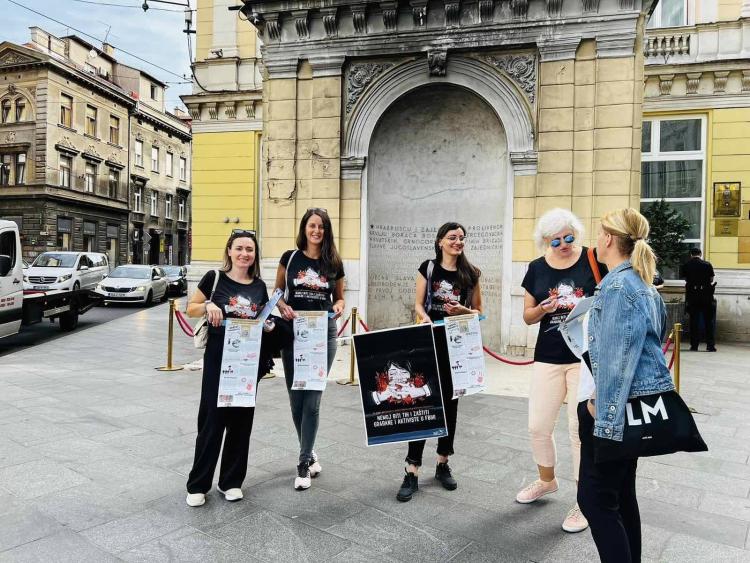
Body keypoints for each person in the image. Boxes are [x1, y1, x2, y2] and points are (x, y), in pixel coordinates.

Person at [577, 208, 675, 562]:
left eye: (599, 233)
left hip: (615, 412)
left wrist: (598, 412)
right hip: (636, 409)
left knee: (594, 500)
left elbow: (619, 363)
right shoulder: (643, 284)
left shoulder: (616, 286)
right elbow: (655, 341)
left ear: (608, 239)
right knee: (620, 496)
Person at [516, 208, 606, 534]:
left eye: (569, 238)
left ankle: (585, 501)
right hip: (548, 355)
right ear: (546, 241)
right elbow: (527, 316)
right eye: (557, 240)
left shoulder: (594, 260)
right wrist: (542, 309)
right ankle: (546, 480)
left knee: (578, 430)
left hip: (584, 357)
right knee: (538, 425)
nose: (565, 244)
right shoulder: (537, 269)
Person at [184, 229, 277, 507]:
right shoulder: (214, 278)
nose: (244, 254)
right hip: (218, 359)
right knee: (211, 421)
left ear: (255, 254)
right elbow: (190, 308)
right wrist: (209, 305)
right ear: (229, 251)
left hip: (247, 362)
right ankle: (198, 484)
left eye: (249, 249)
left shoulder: (259, 286)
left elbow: (261, 318)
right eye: (239, 248)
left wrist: (268, 325)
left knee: (241, 422)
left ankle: (231, 482)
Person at [396, 221, 483, 502]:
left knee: (450, 404)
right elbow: (419, 303)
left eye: (462, 238)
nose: (458, 241)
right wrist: (424, 317)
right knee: (422, 401)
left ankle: (443, 463)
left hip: (457, 345)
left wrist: (463, 311)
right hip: (429, 341)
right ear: (440, 241)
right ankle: (412, 469)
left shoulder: (471, 274)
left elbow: (479, 312)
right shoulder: (428, 268)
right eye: (452, 237)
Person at [274, 208, 345, 491]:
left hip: (322, 334)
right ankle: (310, 450)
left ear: (326, 231)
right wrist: (282, 306)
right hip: (293, 332)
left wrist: (338, 308)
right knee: (296, 400)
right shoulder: (289, 259)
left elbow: (339, 298)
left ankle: (303, 463)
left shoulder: (334, 262)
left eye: (322, 227)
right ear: (305, 228)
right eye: (312, 226)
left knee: (312, 400)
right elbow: (277, 293)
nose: (317, 231)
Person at [679, 248, 716, 352]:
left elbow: (686, 279)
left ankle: (694, 346)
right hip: (706, 296)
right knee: (709, 321)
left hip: (693, 296)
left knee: (694, 321)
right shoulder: (707, 264)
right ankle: (710, 346)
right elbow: (711, 279)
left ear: (691, 255)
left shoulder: (686, 265)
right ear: (700, 254)